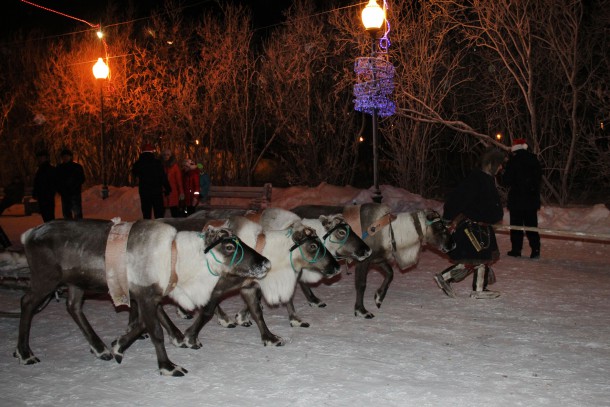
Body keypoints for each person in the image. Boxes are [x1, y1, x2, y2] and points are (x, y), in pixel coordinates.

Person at [434, 148, 506, 299]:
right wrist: (447, 219)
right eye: (499, 164)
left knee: (482, 259)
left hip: (482, 229)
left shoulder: (487, 179)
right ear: (491, 164)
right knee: (475, 259)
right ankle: (446, 277)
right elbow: (456, 199)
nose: (501, 168)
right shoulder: (476, 179)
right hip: (472, 228)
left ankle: (479, 289)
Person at [503, 138, 542, 259]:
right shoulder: (534, 159)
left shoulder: (513, 161)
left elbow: (506, 181)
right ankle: (535, 250)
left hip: (517, 200)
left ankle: (516, 249)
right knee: (532, 226)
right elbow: (539, 178)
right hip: (531, 199)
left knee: (516, 226)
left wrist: (502, 174)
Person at [132, 143, 171, 219]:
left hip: (144, 191)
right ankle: (159, 226)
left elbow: (134, 173)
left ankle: (147, 226)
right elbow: (162, 176)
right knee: (158, 211)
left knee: (146, 211)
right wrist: (167, 188)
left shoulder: (138, 163)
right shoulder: (157, 163)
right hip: (156, 190)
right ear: (152, 152)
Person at [56, 148, 85, 220]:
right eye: (63, 156)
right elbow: (57, 180)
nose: (65, 158)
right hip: (65, 194)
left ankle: (79, 228)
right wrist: (60, 190)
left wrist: (74, 186)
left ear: (70, 157)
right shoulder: (59, 168)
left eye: (67, 156)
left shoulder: (77, 167)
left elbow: (81, 179)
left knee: (77, 214)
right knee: (67, 214)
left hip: (75, 194)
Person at [31, 150, 57, 222]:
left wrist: (51, 192)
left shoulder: (50, 169)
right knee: (45, 214)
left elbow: (53, 182)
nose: (40, 159)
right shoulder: (40, 169)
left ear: (46, 158)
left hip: (47, 195)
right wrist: (35, 192)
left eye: (42, 157)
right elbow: (37, 182)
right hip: (42, 195)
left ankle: (50, 229)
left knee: (49, 214)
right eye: (39, 158)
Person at [161, 149, 184, 218]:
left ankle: (177, 226)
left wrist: (181, 192)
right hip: (163, 192)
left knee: (174, 211)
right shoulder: (161, 166)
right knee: (161, 212)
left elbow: (179, 181)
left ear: (171, 156)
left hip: (173, 192)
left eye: (168, 154)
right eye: (164, 155)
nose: (166, 156)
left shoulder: (175, 167)